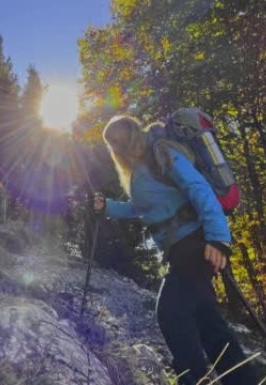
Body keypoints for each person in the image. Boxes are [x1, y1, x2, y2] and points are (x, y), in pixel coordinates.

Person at [94, 115, 257, 385]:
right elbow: (142, 208)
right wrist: (107, 207)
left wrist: (218, 239)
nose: (115, 146)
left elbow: (198, 188)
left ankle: (191, 380)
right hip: (178, 251)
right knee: (209, 325)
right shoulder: (138, 170)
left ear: (132, 132)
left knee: (171, 312)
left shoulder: (161, 152)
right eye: (111, 143)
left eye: (117, 139)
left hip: (196, 244)